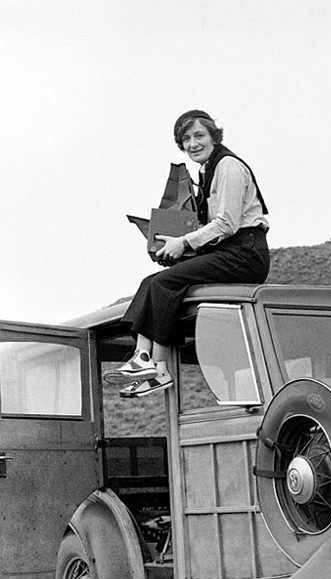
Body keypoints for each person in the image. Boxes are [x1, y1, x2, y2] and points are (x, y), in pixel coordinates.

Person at [105, 109, 271, 397]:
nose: (193, 143)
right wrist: (175, 243)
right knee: (152, 282)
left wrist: (183, 242)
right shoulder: (207, 170)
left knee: (164, 283)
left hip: (246, 252)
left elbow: (227, 223)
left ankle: (158, 367)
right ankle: (144, 359)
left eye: (199, 136)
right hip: (229, 250)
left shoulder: (228, 166)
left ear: (213, 136)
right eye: (186, 138)